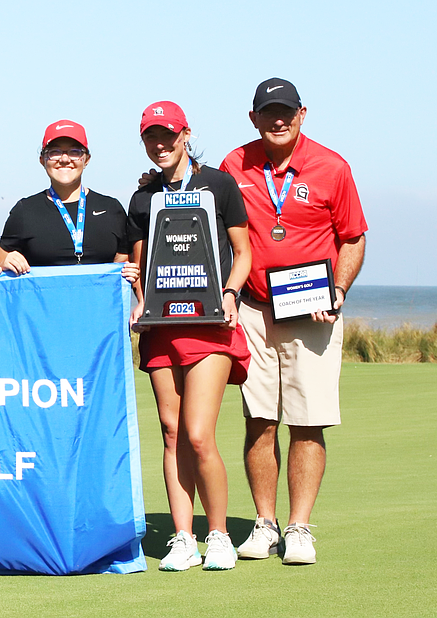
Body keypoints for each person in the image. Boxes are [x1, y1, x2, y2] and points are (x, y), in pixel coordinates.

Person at [220, 78, 367, 565]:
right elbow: (206, 225)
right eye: (268, 111)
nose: (278, 120)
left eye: (286, 111)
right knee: (259, 420)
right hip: (253, 310)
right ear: (253, 117)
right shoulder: (233, 165)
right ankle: (264, 524)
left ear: (302, 113)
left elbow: (352, 237)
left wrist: (339, 290)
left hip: (313, 313)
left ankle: (299, 527)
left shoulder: (332, 167)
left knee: (308, 423)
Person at [127, 102, 252, 571]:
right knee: (172, 431)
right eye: (150, 137)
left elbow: (243, 251)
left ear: (185, 134)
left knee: (199, 435)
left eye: (167, 135)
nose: (159, 144)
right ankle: (183, 536)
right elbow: (141, 265)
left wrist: (231, 292)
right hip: (163, 328)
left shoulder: (219, 184)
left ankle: (217, 535)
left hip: (210, 325)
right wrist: (139, 295)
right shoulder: (142, 198)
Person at [0, 120, 136, 279]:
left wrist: (130, 273)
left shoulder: (111, 208)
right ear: (42, 160)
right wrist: (4, 264)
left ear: (86, 159)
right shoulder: (25, 211)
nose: (65, 159)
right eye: (54, 152)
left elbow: (124, 266)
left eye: (75, 152)